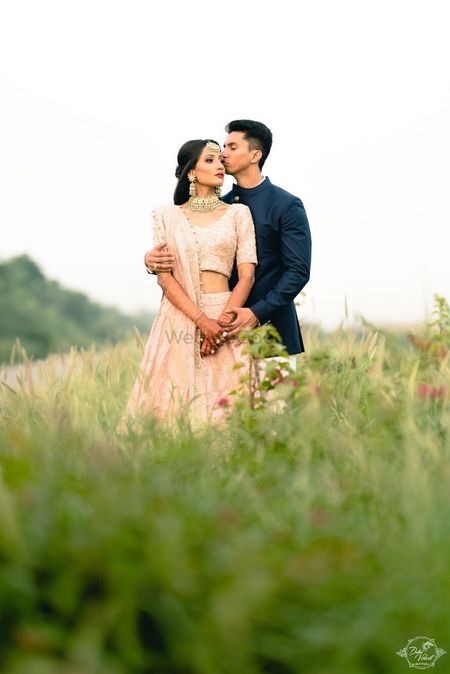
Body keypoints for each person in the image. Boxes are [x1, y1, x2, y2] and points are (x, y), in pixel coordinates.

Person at [145, 120, 311, 357]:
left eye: (232, 147)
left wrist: (255, 312)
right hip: (215, 332)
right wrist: (151, 260)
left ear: (255, 155)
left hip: (271, 333)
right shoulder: (220, 206)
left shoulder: (286, 204)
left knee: (273, 396)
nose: (223, 154)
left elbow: (298, 272)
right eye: (223, 147)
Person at [123, 139, 258, 430]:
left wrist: (219, 325)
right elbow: (164, 276)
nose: (219, 165)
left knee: (230, 409)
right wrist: (200, 321)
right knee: (173, 406)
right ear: (191, 172)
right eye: (209, 160)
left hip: (227, 316)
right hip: (180, 316)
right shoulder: (166, 216)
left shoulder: (238, 213)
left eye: (219, 160)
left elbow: (246, 274)